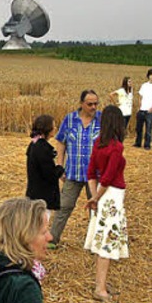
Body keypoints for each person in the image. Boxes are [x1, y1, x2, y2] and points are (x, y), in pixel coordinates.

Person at [82, 106, 128, 302]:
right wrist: (96, 197)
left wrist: (94, 197)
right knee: (107, 242)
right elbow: (108, 177)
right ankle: (100, 288)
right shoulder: (116, 147)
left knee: (102, 238)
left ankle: (101, 283)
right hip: (111, 196)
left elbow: (91, 173)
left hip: (101, 195)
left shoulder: (98, 143)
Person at [48, 90, 101, 246]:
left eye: (96, 104)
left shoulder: (102, 120)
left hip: (95, 175)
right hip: (73, 172)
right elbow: (61, 142)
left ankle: (96, 243)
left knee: (96, 209)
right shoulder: (70, 120)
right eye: (90, 104)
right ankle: (53, 239)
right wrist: (60, 165)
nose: (93, 107)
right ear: (81, 104)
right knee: (64, 206)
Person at [24, 115, 63, 212]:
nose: (55, 128)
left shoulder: (34, 143)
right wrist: (60, 169)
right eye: (53, 126)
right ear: (47, 129)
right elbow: (49, 174)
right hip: (42, 197)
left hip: (34, 193)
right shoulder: (42, 148)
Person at [134, 69, 152, 150]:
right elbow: (140, 96)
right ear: (148, 76)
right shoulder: (144, 85)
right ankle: (138, 143)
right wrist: (139, 107)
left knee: (148, 129)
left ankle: (147, 145)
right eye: (151, 75)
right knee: (138, 128)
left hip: (150, 111)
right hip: (142, 109)